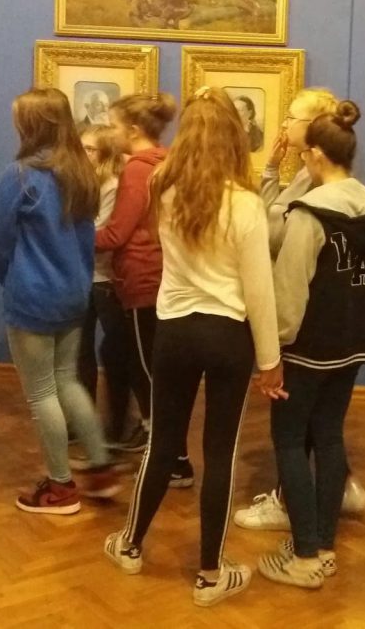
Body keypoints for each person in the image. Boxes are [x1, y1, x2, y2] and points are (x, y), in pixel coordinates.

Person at [103, 87, 285, 608]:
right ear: (234, 138)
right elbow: (259, 290)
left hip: (175, 331)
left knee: (163, 442)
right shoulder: (246, 204)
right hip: (228, 335)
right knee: (219, 453)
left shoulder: (164, 187)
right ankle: (209, 573)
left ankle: (130, 544)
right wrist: (270, 361)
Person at [257, 101, 365, 589]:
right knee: (330, 436)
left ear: (314, 155)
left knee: (290, 440)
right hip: (355, 341)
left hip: (309, 345)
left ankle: (305, 556)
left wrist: (272, 353)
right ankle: (325, 545)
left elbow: (289, 290)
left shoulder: (309, 214)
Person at [234, 87, 365, 530]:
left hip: (308, 335)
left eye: (292, 117)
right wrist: (272, 170)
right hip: (346, 335)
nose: (284, 124)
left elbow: (280, 251)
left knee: (294, 434)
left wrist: (271, 351)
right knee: (324, 428)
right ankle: (323, 528)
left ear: (314, 142)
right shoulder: (354, 197)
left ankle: (304, 534)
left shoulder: (315, 201)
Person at [0, 88, 122, 514]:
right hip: (73, 294)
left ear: (31, 125)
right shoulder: (82, 172)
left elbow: (1, 243)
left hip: (32, 295)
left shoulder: (20, 176)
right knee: (68, 380)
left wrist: (12, 283)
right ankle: (101, 468)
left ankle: (60, 487)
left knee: (42, 392)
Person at [96, 93, 192, 477]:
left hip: (142, 278)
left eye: (115, 126)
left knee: (147, 374)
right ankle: (166, 452)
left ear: (133, 130)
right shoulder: (166, 161)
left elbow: (117, 233)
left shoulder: (138, 169)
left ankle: (172, 460)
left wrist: (69, 236)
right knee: (145, 367)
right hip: (159, 276)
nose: (111, 133)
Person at [77, 125, 137, 448]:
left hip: (107, 281)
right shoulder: (80, 183)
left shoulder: (112, 185)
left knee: (115, 353)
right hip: (82, 278)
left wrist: (70, 234)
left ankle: (118, 426)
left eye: (90, 149)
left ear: (105, 154)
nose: (83, 154)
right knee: (80, 352)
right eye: (81, 147)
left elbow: (100, 233)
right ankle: (83, 423)